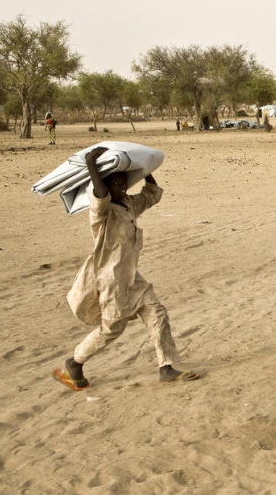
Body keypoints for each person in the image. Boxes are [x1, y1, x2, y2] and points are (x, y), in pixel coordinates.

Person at [52, 146, 199, 390]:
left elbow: (152, 194)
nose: (121, 187)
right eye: (115, 184)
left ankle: (167, 367)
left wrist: (145, 168)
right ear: (106, 187)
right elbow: (99, 194)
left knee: (157, 313)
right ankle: (75, 362)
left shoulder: (130, 205)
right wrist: (91, 164)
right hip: (109, 279)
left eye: (123, 183)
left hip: (132, 277)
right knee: (112, 329)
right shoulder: (102, 212)